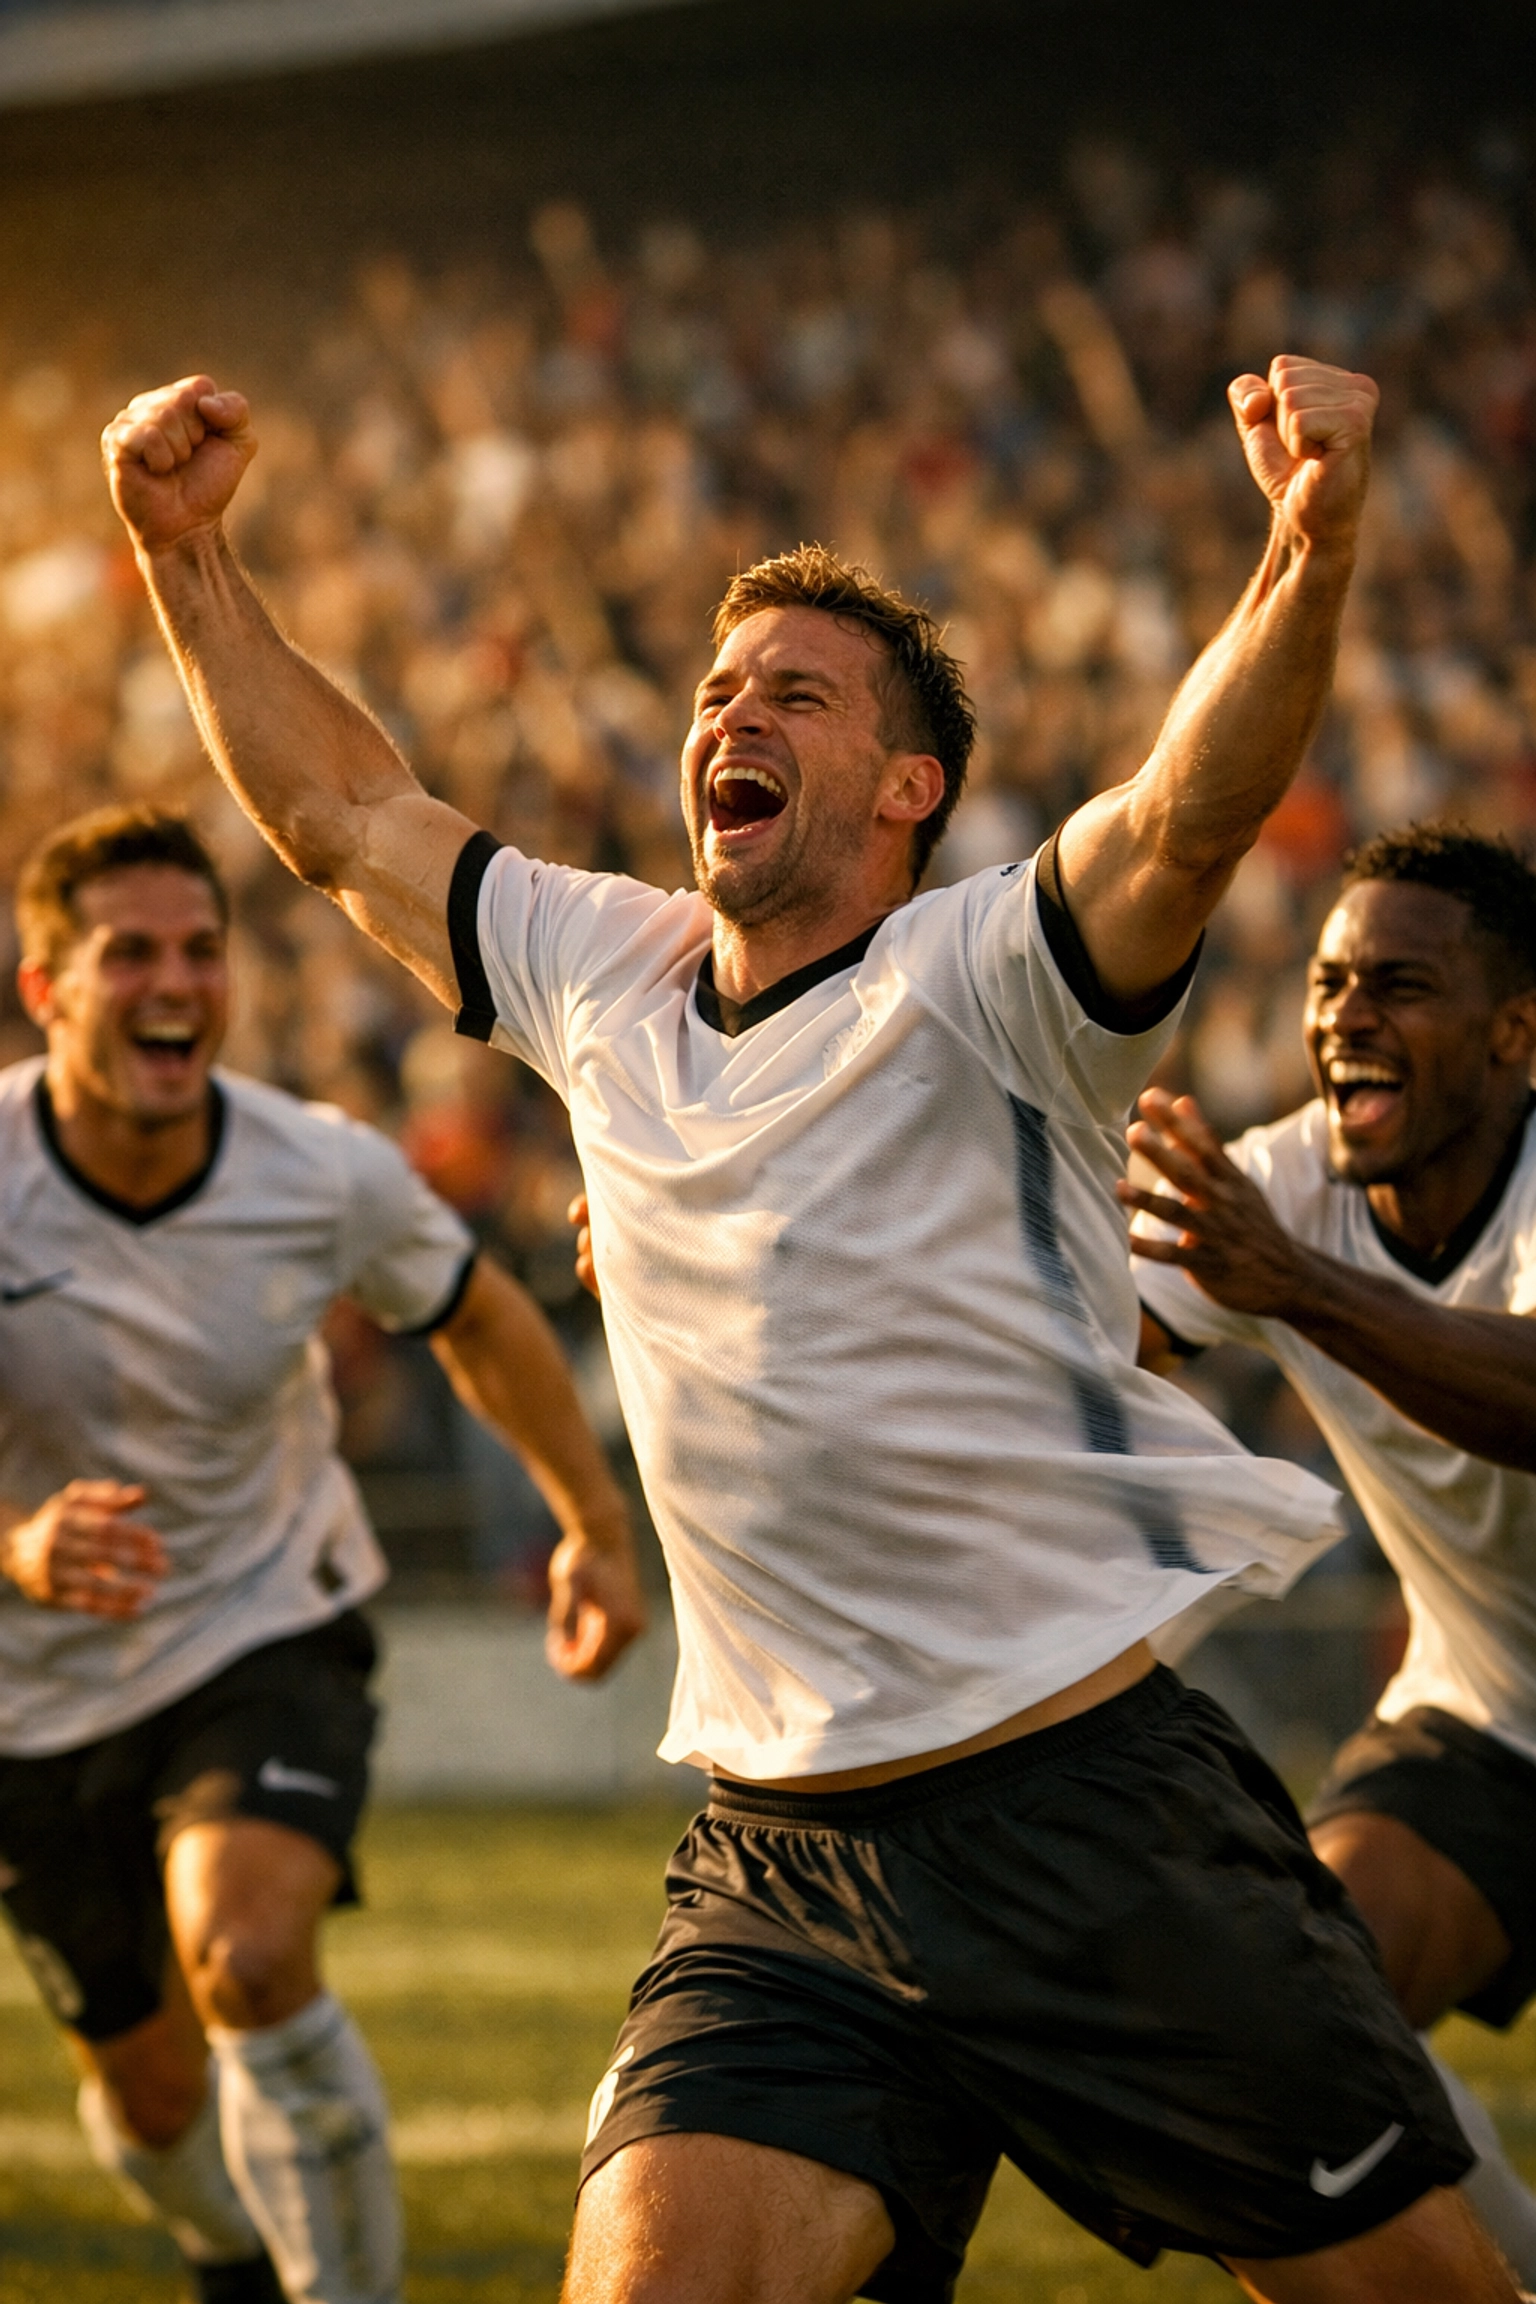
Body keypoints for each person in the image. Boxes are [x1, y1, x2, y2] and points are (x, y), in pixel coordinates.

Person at [100, 355, 1521, 2303]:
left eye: (796, 692)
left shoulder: (985, 977)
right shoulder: (606, 968)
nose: (730, 714)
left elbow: (1188, 815)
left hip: (1090, 1829)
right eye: (715, 689)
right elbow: (343, 813)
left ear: (906, 785)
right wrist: (185, 555)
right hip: (781, 1870)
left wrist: (1311, 540)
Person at [0, 804, 644, 2304]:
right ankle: (230, 2257)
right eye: (128, 954)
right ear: (48, 990)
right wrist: (18, 1546)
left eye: (201, 951)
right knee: (153, 2106)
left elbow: (480, 1316)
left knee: (248, 1956)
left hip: (261, 1624)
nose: (175, 983)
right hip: (31, 1695)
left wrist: (596, 1530)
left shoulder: (318, 1170)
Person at [1124, 823, 1536, 2284]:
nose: (1345, 1016)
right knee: (1283, 2029)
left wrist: (1295, 1286)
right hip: (1491, 1722)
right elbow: (1055, 1334)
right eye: (1329, 980)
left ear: (1515, 1033)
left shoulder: (1290, 1237)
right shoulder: (1286, 1181)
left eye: (1400, 985)